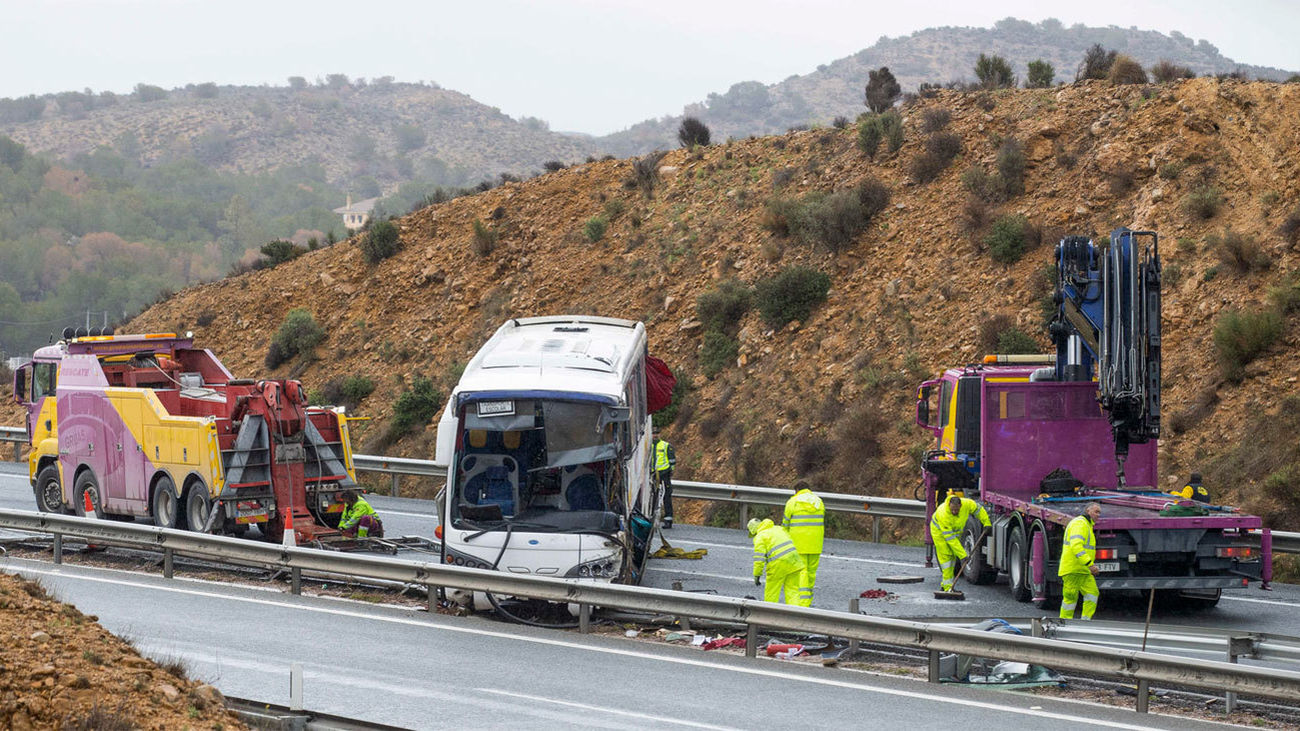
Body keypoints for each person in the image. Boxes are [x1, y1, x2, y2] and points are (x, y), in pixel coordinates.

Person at [929, 492, 991, 593]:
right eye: (952, 510)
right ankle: (947, 587)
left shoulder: (967, 504)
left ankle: (947, 586)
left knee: (953, 556)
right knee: (947, 558)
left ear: (960, 505)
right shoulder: (943, 513)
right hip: (939, 533)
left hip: (954, 533)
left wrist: (986, 522)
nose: (954, 512)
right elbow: (950, 539)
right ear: (949, 505)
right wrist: (963, 555)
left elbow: (978, 510)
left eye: (956, 510)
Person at [747, 518, 808, 605]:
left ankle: (770, 611)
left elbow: (759, 559)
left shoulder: (760, 536)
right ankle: (795, 611)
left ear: (754, 531)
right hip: (794, 561)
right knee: (793, 591)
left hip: (778, 564)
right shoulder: (778, 528)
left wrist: (757, 575)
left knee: (772, 592)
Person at [783, 480, 824, 607]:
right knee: (811, 574)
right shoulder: (819, 501)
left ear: (797, 490)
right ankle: (807, 601)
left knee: (801, 573)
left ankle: (802, 603)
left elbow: (785, 525)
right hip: (816, 544)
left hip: (798, 544)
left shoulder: (793, 501)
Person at [1059, 502, 1101, 620]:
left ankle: (1085, 622)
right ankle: (1064, 623)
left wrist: (1088, 566)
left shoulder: (1086, 525)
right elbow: (1076, 546)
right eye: (1096, 512)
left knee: (1092, 594)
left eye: (1099, 512)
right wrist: (1090, 564)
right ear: (1088, 511)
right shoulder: (1080, 524)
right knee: (1070, 598)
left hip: (1082, 570)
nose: (1098, 515)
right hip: (1073, 569)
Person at [653, 433, 676, 528]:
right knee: (653, 497)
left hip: (664, 474)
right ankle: (652, 518)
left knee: (666, 496)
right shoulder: (647, 446)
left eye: (656, 433)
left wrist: (670, 471)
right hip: (652, 475)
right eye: (653, 433)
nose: (655, 435)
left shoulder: (665, 445)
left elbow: (672, 460)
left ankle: (668, 519)